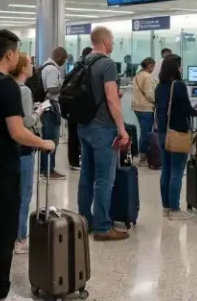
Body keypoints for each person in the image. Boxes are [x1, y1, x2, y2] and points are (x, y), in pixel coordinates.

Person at [0, 30, 55, 301]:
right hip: (2, 167)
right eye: (16, 52)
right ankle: (1, 292)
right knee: (3, 230)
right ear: (9, 54)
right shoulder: (8, 87)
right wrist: (44, 143)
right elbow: (17, 131)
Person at [77, 26, 130, 241]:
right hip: (103, 128)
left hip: (84, 126)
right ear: (106, 40)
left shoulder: (84, 61)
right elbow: (111, 99)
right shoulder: (107, 64)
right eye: (113, 40)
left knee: (86, 176)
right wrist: (122, 128)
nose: (114, 44)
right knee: (104, 179)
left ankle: (84, 221)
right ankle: (102, 227)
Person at [155, 54, 197, 220]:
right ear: (176, 68)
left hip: (162, 133)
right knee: (176, 172)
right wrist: (196, 111)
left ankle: (166, 207)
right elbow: (186, 108)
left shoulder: (159, 86)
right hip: (178, 133)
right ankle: (175, 209)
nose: (182, 68)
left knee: (166, 171)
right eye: (180, 66)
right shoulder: (178, 85)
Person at [9, 53, 44, 255]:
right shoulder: (24, 91)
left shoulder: (8, 87)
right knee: (24, 194)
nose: (32, 66)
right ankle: (21, 237)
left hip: (10, 149)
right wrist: (38, 112)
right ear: (23, 68)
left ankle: (13, 234)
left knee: (14, 194)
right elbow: (26, 122)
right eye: (30, 63)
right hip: (24, 148)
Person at [40, 47, 68, 180]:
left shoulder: (45, 65)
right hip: (50, 107)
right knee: (52, 139)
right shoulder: (52, 69)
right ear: (59, 57)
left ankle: (44, 168)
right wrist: (66, 85)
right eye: (64, 59)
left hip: (46, 106)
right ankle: (49, 170)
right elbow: (51, 89)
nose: (64, 62)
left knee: (46, 138)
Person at [66, 47, 93, 171]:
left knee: (73, 135)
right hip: (79, 108)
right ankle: (77, 161)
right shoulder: (85, 70)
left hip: (71, 107)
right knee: (78, 136)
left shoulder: (76, 68)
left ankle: (74, 161)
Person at [132, 57, 156, 167]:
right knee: (146, 133)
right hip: (146, 108)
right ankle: (143, 156)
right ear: (150, 65)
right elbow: (149, 94)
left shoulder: (138, 75)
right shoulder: (147, 76)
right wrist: (157, 100)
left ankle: (143, 155)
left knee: (143, 131)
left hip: (137, 107)